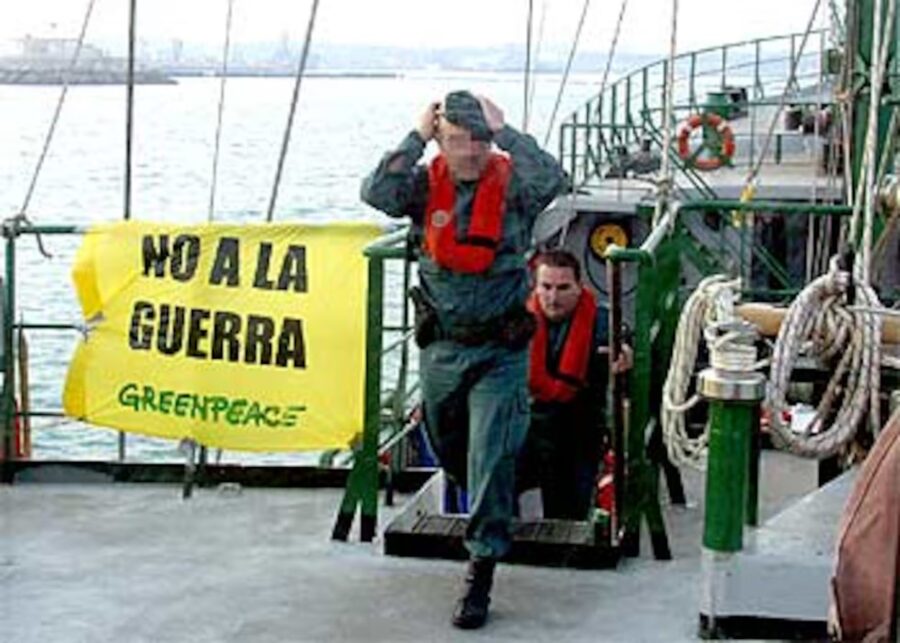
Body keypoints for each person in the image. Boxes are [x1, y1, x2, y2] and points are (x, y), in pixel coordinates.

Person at [361, 90, 565, 629]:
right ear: (442, 140)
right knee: (448, 441)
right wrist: (417, 135)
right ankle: (490, 487)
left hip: (500, 349)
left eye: (477, 139)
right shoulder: (424, 185)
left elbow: (554, 179)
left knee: (490, 455)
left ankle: (481, 567)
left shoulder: (515, 183)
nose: (468, 151)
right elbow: (376, 191)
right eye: (456, 140)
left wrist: (507, 131)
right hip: (444, 347)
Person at [519, 249, 632, 520]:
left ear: (579, 288)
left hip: (578, 431)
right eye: (546, 287)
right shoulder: (517, 320)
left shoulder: (603, 322)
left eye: (563, 288)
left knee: (571, 508)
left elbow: (622, 343)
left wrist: (625, 355)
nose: (553, 297)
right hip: (525, 428)